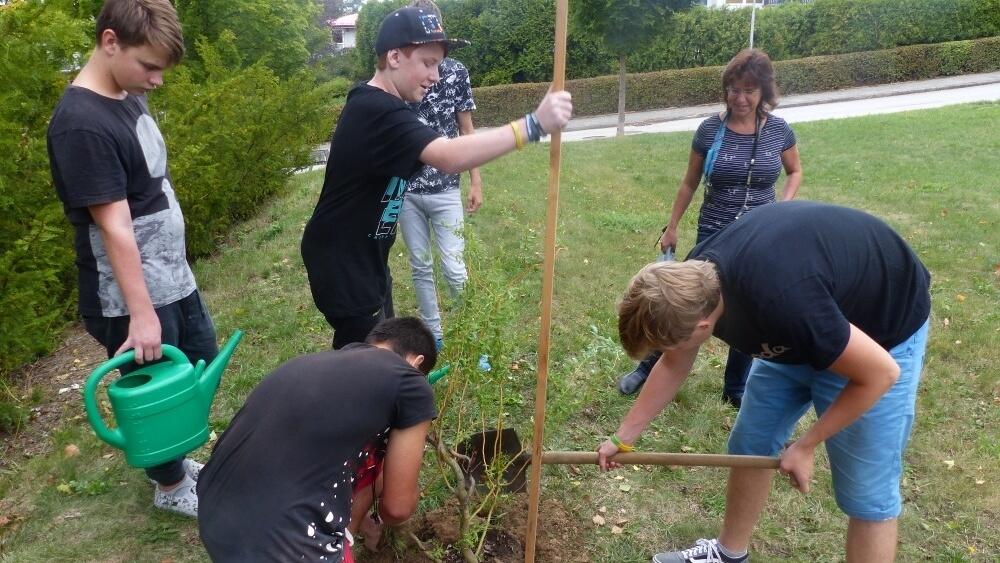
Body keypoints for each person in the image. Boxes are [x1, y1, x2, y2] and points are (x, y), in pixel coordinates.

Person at [597, 201, 931, 563]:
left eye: (668, 344)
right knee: (750, 447)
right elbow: (675, 362)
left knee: (866, 492)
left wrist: (805, 445)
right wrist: (623, 437)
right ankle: (729, 554)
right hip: (803, 326)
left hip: (879, 336)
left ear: (702, 327)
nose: (668, 352)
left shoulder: (784, 299)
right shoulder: (692, 283)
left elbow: (880, 374)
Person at [301, 6, 572, 349]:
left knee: (378, 339)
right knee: (363, 358)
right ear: (394, 57)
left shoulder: (385, 106)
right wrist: (532, 126)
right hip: (343, 261)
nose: (436, 76)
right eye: (428, 63)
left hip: (365, 255)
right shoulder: (376, 109)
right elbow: (449, 157)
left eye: (439, 65)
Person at [47, 0, 216, 517]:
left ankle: (177, 460)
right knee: (153, 389)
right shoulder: (80, 124)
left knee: (198, 357)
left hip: (170, 275)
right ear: (110, 41)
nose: (157, 80)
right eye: (150, 66)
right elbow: (115, 227)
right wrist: (141, 316)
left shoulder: (126, 93)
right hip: (129, 294)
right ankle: (170, 485)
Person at [617, 49, 803, 407]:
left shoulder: (779, 131)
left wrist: (785, 205)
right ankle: (647, 367)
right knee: (684, 305)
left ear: (764, 91)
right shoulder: (710, 130)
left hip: (760, 238)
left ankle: (735, 388)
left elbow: (794, 171)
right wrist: (672, 227)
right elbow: (689, 182)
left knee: (748, 309)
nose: (740, 98)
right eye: (734, 89)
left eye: (749, 90)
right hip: (715, 234)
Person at [197, 317, 438, 562]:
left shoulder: (309, 364)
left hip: (215, 518)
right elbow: (397, 509)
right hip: (281, 544)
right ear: (417, 362)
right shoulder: (410, 382)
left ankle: (343, 539)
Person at [399, 0, 482, 349]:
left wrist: (476, 180)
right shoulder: (400, 76)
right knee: (420, 266)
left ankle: (473, 335)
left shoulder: (456, 72)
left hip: (446, 188)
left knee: (454, 267)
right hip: (406, 192)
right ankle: (434, 337)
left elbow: (467, 129)